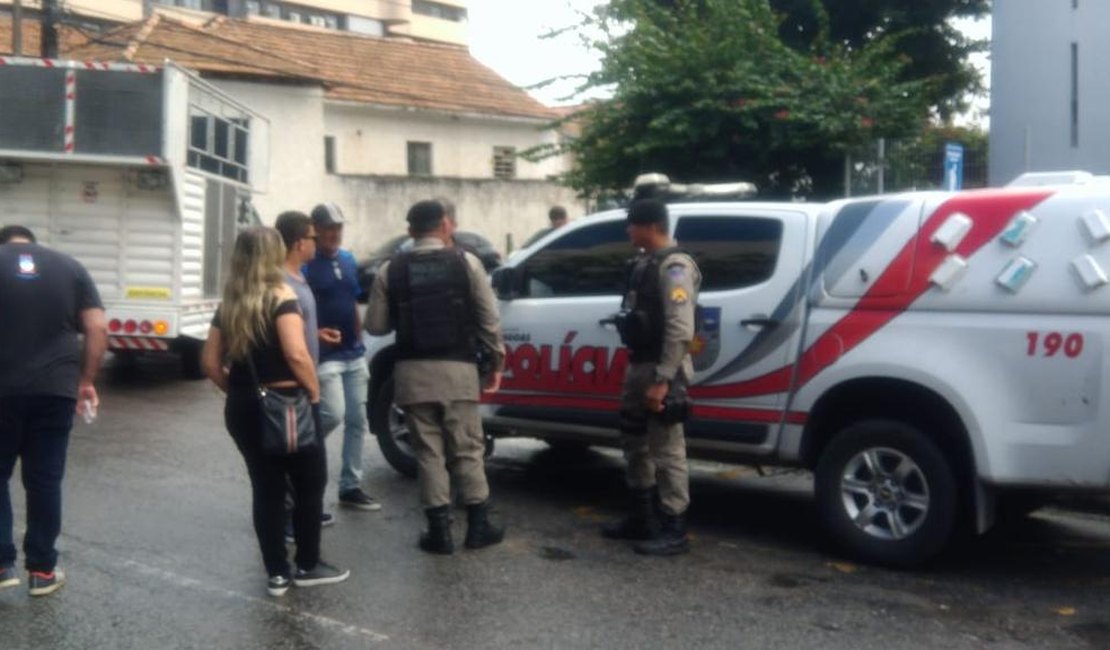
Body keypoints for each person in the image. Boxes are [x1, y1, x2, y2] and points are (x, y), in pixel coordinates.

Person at [201, 227, 349, 597]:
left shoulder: (231, 302)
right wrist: (313, 394)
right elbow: (296, 354)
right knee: (309, 484)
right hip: (288, 406)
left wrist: (236, 390)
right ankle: (308, 565)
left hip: (243, 407)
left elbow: (209, 362)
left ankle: (277, 573)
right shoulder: (281, 295)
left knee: (265, 489)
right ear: (272, 255)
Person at [366, 200, 506, 554]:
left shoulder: (391, 270)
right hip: (458, 371)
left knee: (428, 453)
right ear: (446, 225)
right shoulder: (467, 263)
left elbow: (376, 325)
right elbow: (489, 320)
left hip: (412, 375)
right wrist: (497, 364)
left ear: (410, 231)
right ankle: (478, 526)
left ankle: (439, 533)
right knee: (467, 450)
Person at [0, 224, 107, 596]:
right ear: (31, 241)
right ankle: (42, 571)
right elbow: (97, 328)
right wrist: (86, 380)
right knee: (44, 480)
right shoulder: (70, 267)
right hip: (55, 391)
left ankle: (1, 566)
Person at [601, 199, 702, 556]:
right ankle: (641, 517)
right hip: (639, 364)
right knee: (634, 442)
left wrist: (664, 378)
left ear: (651, 226)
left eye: (632, 224)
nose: (628, 231)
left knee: (667, 449)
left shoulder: (675, 267)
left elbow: (680, 328)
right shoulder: (645, 263)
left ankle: (674, 527)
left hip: (663, 367)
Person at [304, 203, 381, 512]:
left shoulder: (348, 259)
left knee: (356, 421)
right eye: (329, 227)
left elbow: (351, 301)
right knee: (331, 415)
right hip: (325, 355)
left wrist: (359, 334)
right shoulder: (307, 264)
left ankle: (350, 486)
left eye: (338, 227)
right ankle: (304, 472)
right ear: (316, 229)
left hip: (352, 352)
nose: (335, 233)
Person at [274, 211, 335, 538]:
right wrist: (312, 390)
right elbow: (290, 349)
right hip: (293, 387)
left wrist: (316, 334)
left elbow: (294, 331)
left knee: (305, 461)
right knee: (295, 460)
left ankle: (303, 513)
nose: (316, 241)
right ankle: (288, 520)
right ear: (300, 243)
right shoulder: (283, 282)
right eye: (312, 237)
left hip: (301, 383)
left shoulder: (298, 277)